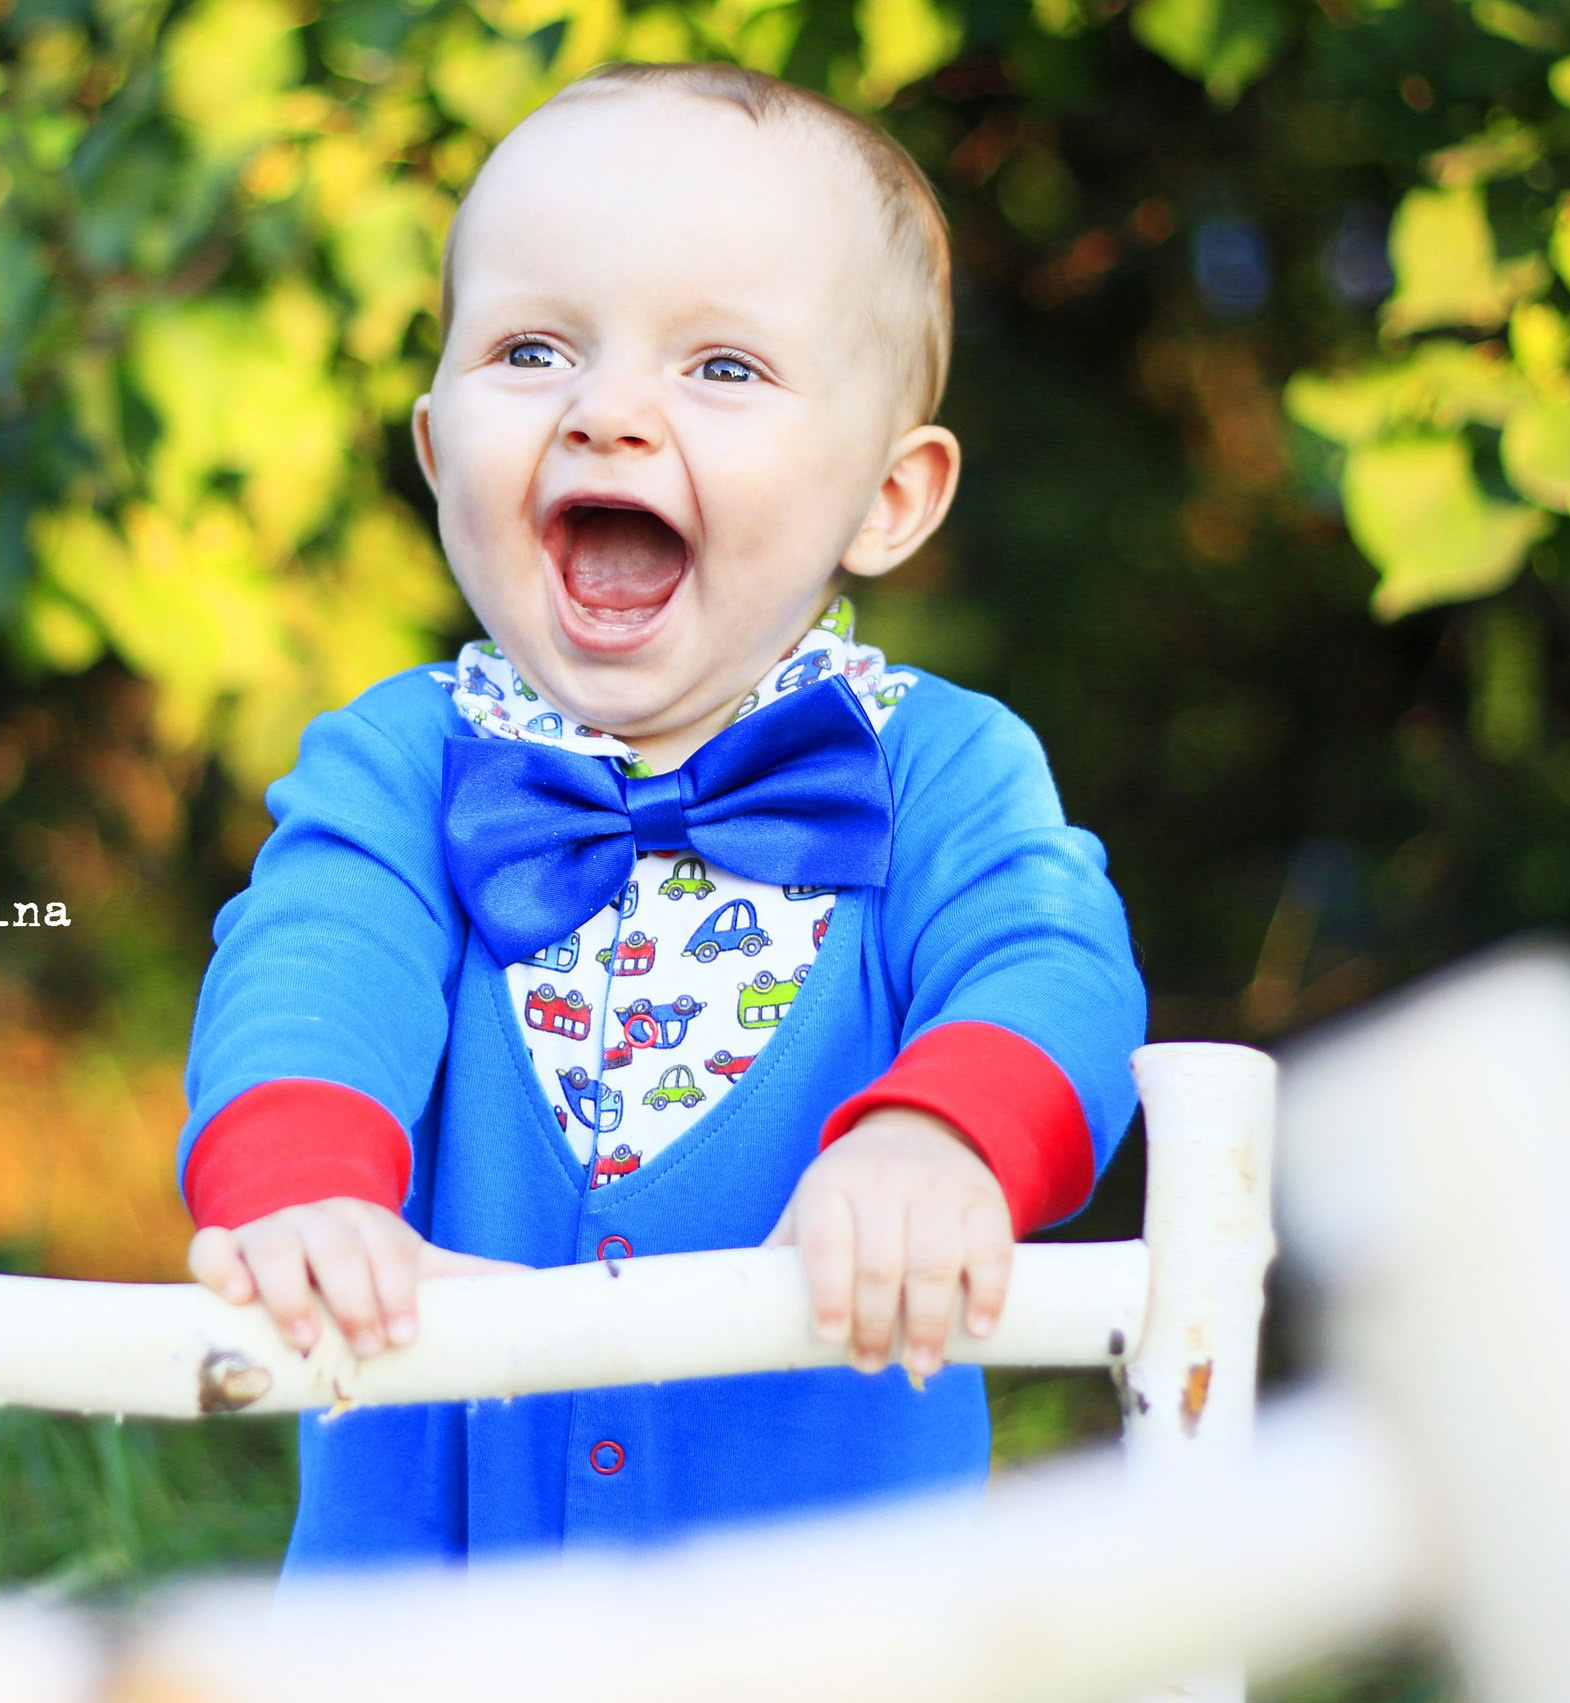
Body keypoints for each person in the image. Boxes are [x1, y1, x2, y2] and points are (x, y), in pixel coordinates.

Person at [173, 60, 1146, 1567]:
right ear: (436, 450)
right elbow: (311, 962)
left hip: (827, 1638)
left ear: (889, 498)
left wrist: (940, 1140)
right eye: (533, 348)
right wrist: (304, 1182)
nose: (608, 413)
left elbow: (1053, 959)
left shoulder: (942, 769)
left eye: (724, 370)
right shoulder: (402, 762)